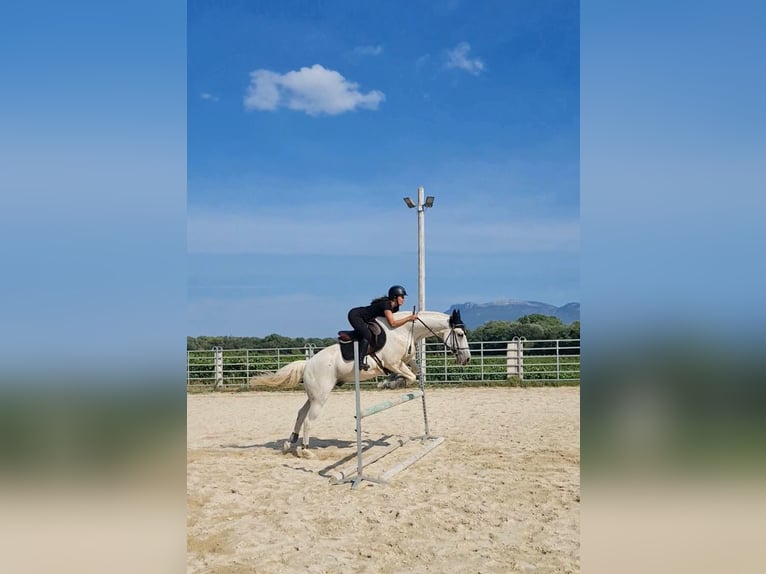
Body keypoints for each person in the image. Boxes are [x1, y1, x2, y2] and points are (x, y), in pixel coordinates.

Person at [347, 285, 418, 370]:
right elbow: (393, 323)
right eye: (402, 297)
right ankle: (360, 362)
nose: (403, 299)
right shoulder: (386, 305)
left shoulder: (395, 308)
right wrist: (409, 318)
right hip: (356, 316)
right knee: (367, 336)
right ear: (395, 297)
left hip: (367, 319)